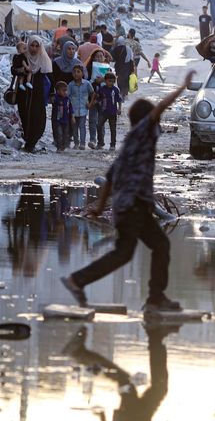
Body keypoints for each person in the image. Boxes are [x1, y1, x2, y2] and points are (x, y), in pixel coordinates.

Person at [60, 70, 197, 313]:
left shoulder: (129, 143)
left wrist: (100, 208)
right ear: (148, 121)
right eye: (154, 120)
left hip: (127, 207)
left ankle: (79, 281)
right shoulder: (143, 134)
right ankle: (155, 299)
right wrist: (182, 87)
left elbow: (111, 177)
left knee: (129, 252)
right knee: (158, 246)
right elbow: (159, 109)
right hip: (134, 206)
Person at [62, 324, 173, 421]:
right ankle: (156, 340)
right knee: (155, 388)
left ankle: (80, 354)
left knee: (132, 383)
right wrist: (102, 419)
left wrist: (103, 419)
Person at [17, 36, 52, 152]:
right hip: (24, 94)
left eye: (37, 46)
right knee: (25, 117)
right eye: (32, 45)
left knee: (39, 119)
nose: (34, 48)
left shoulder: (44, 60)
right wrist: (21, 70)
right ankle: (28, 143)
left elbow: (50, 78)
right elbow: (13, 69)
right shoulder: (23, 57)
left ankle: (32, 143)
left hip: (38, 95)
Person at [86, 50, 114, 149]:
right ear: (93, 58)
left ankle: (100, 142)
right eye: (97, 56)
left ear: (104, 58)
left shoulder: (109, 69)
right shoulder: (89, 69)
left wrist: (103, 80)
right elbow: (86, 82)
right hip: (93, 97)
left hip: (104, 99)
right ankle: (92, 139)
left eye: (101, 56)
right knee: (92, 119)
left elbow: (113, 84)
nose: (99, 58)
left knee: (101, 120)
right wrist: (94, 82)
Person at [67, 65, 94, 150]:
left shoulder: (87, 83)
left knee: (82, 126)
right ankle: (76, 143)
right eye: (74, 72)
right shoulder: (70, 85)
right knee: (74, 127)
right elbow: (67, 96)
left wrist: (90, 104)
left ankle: (82, 143)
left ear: (82, 73)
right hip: (73, 110)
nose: (76, 73)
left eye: (78, 71)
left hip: (83, 109)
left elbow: (93, 93)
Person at [95, 72, 123, 149]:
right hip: (103, 112)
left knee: (113, 129)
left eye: (113, 81)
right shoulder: (102, 89)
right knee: (99, 126)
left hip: (113, 112)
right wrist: (96, 101)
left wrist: (119, 109)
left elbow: (119, 100)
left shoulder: (116, 90)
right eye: (109, 81)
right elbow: (98, 98)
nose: (111, 83)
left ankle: (113, 144)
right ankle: (100, 143)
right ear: (105, 80)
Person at [51, 80, 72, 152]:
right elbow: (53, 101)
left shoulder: (67, 99)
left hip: (66, 120)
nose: (65, 92)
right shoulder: (55, 98)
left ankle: (63, 146)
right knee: (58, 133)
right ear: (58, 91)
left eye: (66, 90)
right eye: (63, 90)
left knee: (66, 134)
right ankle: (59, 147)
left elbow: (70, 108)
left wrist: (72, 117)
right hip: (57, 120)